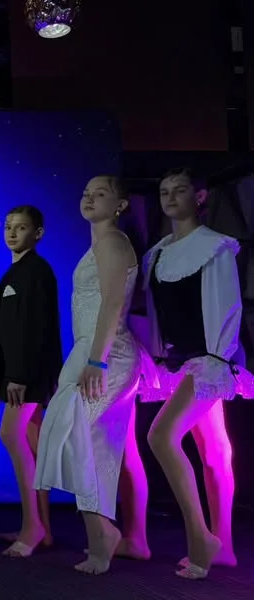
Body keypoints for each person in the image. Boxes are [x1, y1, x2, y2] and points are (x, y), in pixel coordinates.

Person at [138, 167, 250, 578]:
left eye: (179, 190)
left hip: (209, 358)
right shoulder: (158, 253)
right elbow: (156, 314)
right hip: (177, 359)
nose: (170, 197)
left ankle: (202, 538)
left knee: (162, 436)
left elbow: (227, 305)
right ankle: (224, 547)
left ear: (199, 197)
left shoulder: (215, 247)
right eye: (164, 191)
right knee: (214, 449)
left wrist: (218, 360)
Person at [34, 175, 143, 576]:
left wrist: (96, 361)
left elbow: (113, 303)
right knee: (85, 442)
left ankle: (103, 535)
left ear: (120, 205)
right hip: (88, 350)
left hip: (106, 354)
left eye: (100, 194)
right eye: (86, 193)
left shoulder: (113, 242)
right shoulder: (99, 244)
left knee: (78, 437)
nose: (89, 198)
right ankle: (102, 535)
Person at [0, 205, 61, 557]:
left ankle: (33, 527)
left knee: (10, 435)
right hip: (22, 373)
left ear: (38, 233)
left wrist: (18, 375)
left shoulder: (36, 271)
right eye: (8, 227)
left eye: (21, 227)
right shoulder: (19, 270)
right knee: (32, 444)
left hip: (28, 375)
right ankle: (41, 528)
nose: (12, 233)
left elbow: (35, 329)